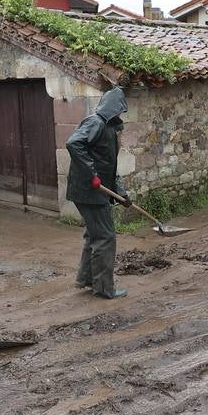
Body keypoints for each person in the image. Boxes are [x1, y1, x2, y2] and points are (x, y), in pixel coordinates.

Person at [65, 87, 132, 299]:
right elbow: (74, 143)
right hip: (88, 191)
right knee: (105, 237)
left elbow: (109, 168)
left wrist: (120, 194)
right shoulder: (95, 123)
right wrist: (91, 175)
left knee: (94, 235)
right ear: (113, 108)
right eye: (119, 111)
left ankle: (86, 279)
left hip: (92, 191)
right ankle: (104, 288)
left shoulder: (109, 129)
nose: (120, 115)